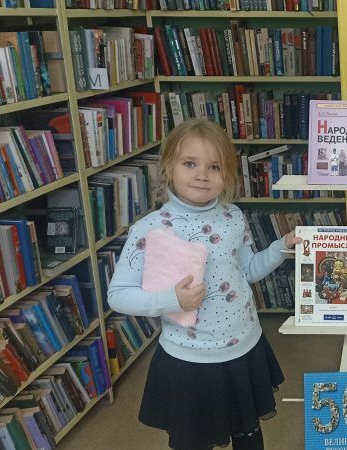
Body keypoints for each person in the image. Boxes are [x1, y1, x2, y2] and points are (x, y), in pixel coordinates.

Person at [107, 119, 300, 450]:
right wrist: (172, 300)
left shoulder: (233, 217)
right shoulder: (150, 228)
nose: (202, 175)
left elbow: (247, 271)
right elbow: (118, 295)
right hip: (189, 360)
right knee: (193, 441)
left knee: (248, 434)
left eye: (214, 167)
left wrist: (281, 247)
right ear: (168, 167)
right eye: (189, 163)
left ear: (228, 175)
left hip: (243, 347)